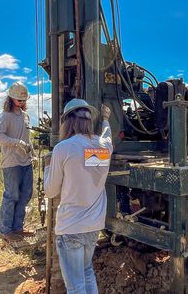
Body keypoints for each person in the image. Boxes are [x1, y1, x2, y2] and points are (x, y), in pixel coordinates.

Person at [44, 99, 112, 294]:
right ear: (89, 122)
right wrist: (106, 119)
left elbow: (50, 191)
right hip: (93, 226)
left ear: (68, 122)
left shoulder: (63, 148)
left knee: (75, 286)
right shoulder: (103, 148)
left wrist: (48, 166)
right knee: (87, 272)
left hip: (71, 227)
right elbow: (107, 136)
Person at [0, 81, 34, 242]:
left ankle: (18, 228)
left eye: (24, 100)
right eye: (19, 100)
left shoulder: (26, 116)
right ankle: (5, 230)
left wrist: (30, 149)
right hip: (11, 161)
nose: (22, 103)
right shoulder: (5, 116)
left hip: (26, 161)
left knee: (26, 194)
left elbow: (26, 137)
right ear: (11, 99)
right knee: (12, 195)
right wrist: (17, 143)